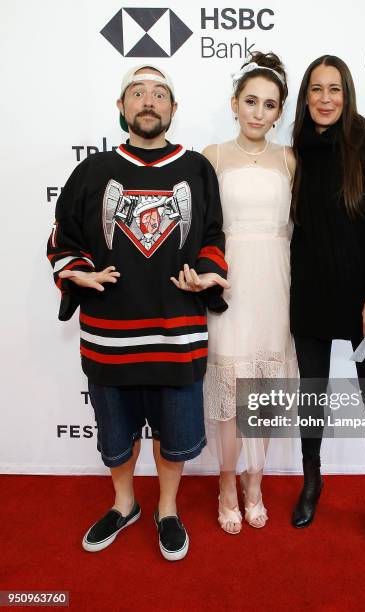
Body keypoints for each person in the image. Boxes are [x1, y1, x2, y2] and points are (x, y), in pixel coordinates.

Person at [47, 65, 228, 561]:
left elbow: (213, 236)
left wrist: (207, 273)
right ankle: (124, 503)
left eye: (159, 93)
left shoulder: (197, 169)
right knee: (116, 434)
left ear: (174, 109)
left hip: (178, 333)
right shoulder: (91, 172)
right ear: (121, 107)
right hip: (110, 333)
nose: (148, 100)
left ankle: (166, 508)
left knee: (174, 437)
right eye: (137, 92)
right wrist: (76, 270)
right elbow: (62, 236)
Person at [177, 52, 297, 534]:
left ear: (279, 112)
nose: (258, 112)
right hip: (229, 281)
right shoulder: (213, 155)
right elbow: (198, 227)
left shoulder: (291, 159)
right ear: (234, 103)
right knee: (229, 389)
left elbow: (301, 228)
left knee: (263, 392)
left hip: (276, 280)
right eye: (250, 101)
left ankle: (255, 481)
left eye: (269, 105)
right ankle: (227, 481)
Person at [289, 55, 365, 550]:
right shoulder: (298, 146)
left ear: (347, 93)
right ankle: (312, 481)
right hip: (312, 292)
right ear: (305, 95)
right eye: (316, 89)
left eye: (334, 89)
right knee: (311, 394)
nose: (325, 98)